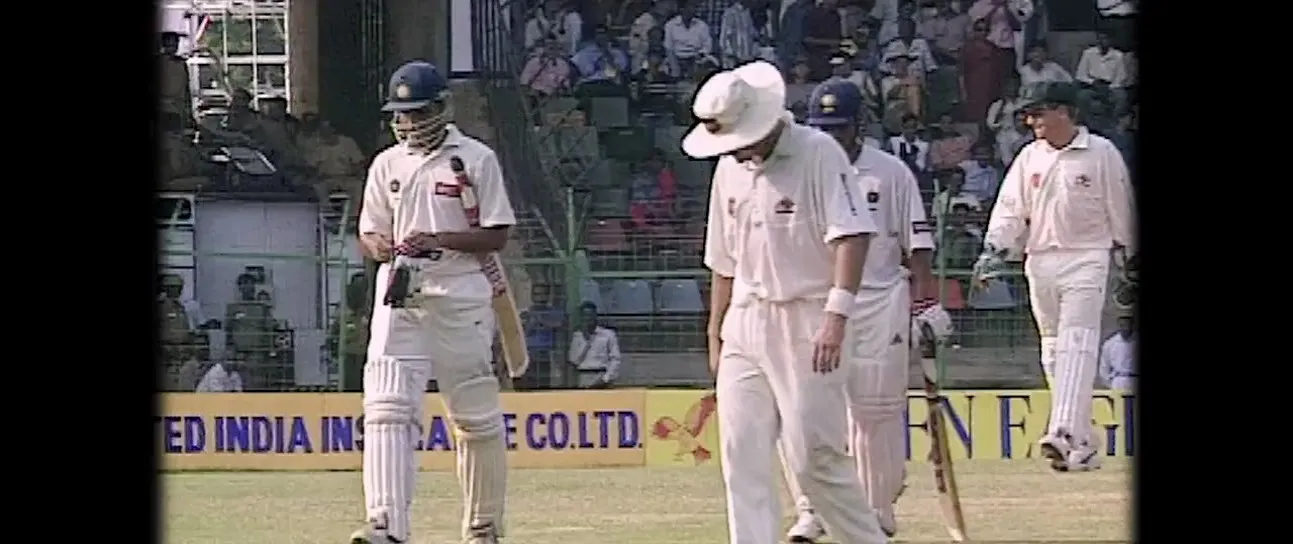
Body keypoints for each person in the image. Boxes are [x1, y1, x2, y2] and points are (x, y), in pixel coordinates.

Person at [682, 60, 889, 544]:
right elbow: (723, 260)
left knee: (812, 457)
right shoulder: (729, 168)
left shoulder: (817, 153)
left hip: (809, 318)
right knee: (740, 451)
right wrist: (715, 332)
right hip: (745, 319)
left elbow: (852, 235)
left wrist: (836, 316)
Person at [352, 60, 516, 544]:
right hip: (400, 295)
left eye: (419, 112)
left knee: (474, 417)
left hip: (461, 294)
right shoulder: (387, 163)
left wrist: (438, 241)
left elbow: (497, 234)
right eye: (401, 114)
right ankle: (386, 525)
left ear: (443, 108)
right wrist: (382, 249)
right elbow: (369, 232)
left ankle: (483, 527)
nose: (409, 123)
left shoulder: (476, 158)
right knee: (386, 408)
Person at [782, 78, 953, 542]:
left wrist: (926, 303)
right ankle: (812, 510)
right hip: (818, 302)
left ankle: (875, 511)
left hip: (879, 301)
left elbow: (917, 245)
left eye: (839, 128)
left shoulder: (890, 172)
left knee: (874, 412)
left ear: (859, 126)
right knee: (806, 410)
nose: (830, 137)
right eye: (822, 128)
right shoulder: (800, 169)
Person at [973, 81, 1135, 473]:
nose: (1031, 121)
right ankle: (1084, 443)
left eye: (1038, 113)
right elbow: (1011, 210)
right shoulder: (1030, 156)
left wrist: (1130, 257)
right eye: (1029, 115)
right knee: (1052, 347)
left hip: (1088, 256)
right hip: (1039, 258)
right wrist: (993, 252)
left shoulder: (1101, 153)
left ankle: (1062, 431)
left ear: (1064, 111)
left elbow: (1122, 207)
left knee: (1078, 340)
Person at [567, 302, 624, 388]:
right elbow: (574, 360)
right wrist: (585, 340)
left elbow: (615, 359)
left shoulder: (608, 334)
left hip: (601, 375)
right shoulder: (577, 336)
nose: (588, 318)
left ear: (595, 316)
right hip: (582, 377)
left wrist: (605, 379)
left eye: (591, 315)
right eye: (585, 315)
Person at [1097, 313, 1135, 391]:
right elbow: (1104, 367)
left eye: (1128, 325)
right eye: (1123, 325)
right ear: (1119, 325)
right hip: (1118, 380)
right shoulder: (1110, 343)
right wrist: (1110, 383)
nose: (1126, 328)